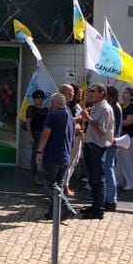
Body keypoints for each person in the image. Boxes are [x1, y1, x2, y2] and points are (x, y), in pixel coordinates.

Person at [36, 92, 77, 221]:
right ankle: (53, 213)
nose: (49, 104)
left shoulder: (53, 115)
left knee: (51, 185)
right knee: (58, 185)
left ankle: (66, 207)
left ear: (54, 103)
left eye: (51, 102)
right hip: (65, 156)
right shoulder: (70, 118)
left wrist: (39, 151)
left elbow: (45, 134)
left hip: (52, 155)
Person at [77, 84, 114, 219]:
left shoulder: (105, 109)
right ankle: (94, 205)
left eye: (92, 91)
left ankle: (99, 210)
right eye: (89, 91)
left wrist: (88, 118)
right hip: (89, 145)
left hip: (97, 147)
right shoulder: (95, 107)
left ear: (102, 93)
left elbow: (101, 132)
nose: (89, 93)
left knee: (98, 179)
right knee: (92, 179)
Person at [60, 84, 84, 198]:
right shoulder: (64, 106)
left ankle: (66, 183)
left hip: (78, 136)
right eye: (74, 93)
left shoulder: (77, 105)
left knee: (74, 162)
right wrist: (79, 120)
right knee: (68, 162)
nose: (76, 95)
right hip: (71, 137)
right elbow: (67, 121)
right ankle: (64, 185)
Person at [103, 86, 124, 211]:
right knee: (108, 169)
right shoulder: (116, 106)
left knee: (108, 170)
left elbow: (112, 128)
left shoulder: (114, 108)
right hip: (112, 141)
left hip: (110, 142)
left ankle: (111, 199)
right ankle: (109, 198)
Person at [116, 88, 133, 192]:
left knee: (128, 160)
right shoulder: (120, 106)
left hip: (129, 137)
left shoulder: (132, 108)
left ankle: (130, 183)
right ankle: (119, 181)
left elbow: (128, 122)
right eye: (124, 92)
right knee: (119, 160)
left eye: (127, 93)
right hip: (119, 137)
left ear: (131, 96)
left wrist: (115, 122)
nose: (124, 94)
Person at [23, 89, 49, 185]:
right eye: (38, 97)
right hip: (36, 133)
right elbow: (28, 124)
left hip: (45, 134)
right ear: (34, 98)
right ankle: (35, 176)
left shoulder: (46, 110)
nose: (40, 99)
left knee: (45, 155)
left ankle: (46, 176)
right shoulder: (31, 108)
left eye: (42, 97)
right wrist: (30, 136)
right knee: (35, 155)